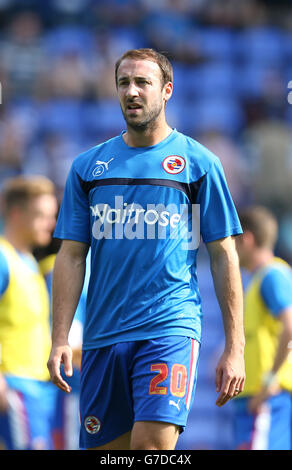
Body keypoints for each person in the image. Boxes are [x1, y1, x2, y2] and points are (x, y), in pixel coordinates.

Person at [47, 48, 245, 451]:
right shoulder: (88, 167)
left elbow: (224, 253)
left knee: (152, 450)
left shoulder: (198, 163)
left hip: (168, 327)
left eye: (143, 83)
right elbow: (70, 255)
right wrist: (60, 338)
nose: (132, 92)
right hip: (103, 335)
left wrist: (234, 348)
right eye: (124, 83)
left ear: (167, 90)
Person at [0, 175, 58, 450]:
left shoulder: (32, 264)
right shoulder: (2, 257)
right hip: (14, 385)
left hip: (36, 388)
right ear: (16, 214)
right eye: (41, 215)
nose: (51, 223)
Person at [233, 206, 292, 450]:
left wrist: (269, 382)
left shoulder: (272, 275)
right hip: (255, 401)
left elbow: (290, 328)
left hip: (266, 399)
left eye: (233, 240)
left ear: (246, 238)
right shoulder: (258, 279)